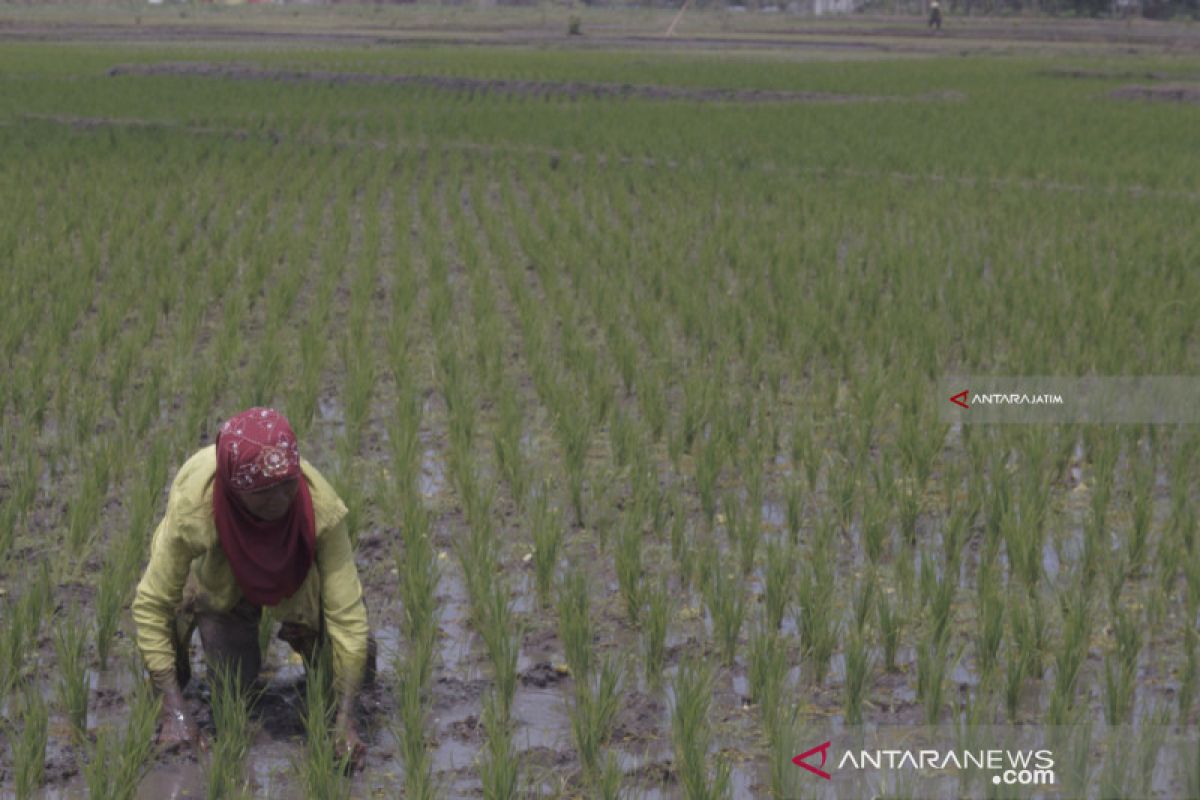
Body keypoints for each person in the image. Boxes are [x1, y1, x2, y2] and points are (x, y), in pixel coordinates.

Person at [131, 407, 373, 769]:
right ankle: (177, 685)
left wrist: (347, 721)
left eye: (286, 485)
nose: (278, 500)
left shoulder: (319, 509)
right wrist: (174, 710)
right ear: (234, 489)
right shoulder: (195, 510)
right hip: (223, 567)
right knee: (232, 686)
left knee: (340, 669)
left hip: (294, 568)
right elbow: (151, 604)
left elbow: (348, 616)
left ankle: (343, 694)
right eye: (263, 493)